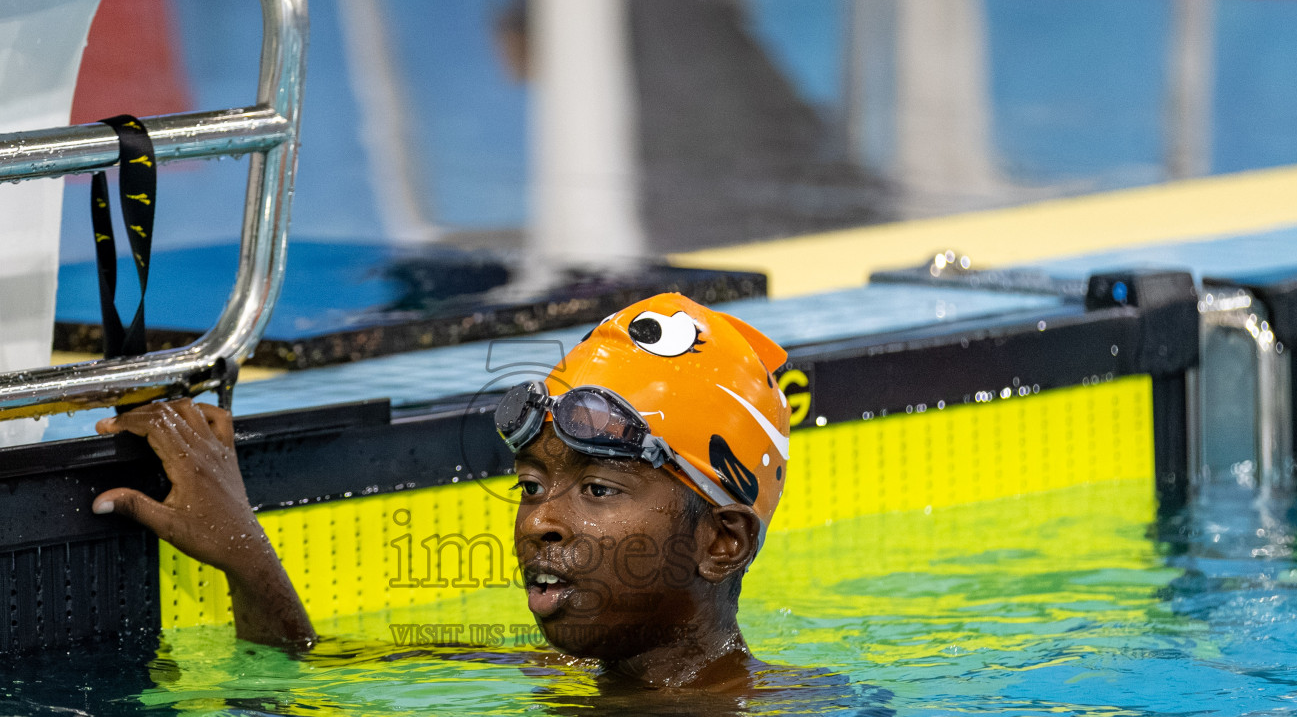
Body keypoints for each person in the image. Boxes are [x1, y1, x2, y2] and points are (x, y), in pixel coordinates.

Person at [91, 293, 791, 690]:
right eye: (530, 484)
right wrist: (243, 548)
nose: (540, 520)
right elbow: (301, 674)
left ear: (720, 541)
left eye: (600, 489)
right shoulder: (569, 677)